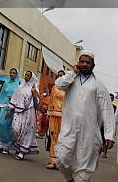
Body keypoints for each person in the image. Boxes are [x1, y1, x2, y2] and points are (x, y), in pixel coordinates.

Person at [55, 52, 115, 182]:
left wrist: (109, 134)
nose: (84, 64)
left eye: (87, 62)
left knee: (84, 167)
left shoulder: (99, 85)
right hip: (68, 129)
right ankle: (69, 179)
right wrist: (73, 73)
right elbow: (59, 85)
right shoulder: (70, 79)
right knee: (62, 159)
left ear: (93, 65)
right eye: (82, 61)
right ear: (78, 63)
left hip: (89, 133)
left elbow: (107, 110)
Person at [8, 70, 39, 161]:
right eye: (25, 75)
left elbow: (37, 104)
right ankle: (19, 147)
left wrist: (34, 94)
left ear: (31, 78)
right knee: (15, 128)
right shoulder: (20, 87)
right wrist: (10, 110)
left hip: (29, 113)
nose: (26, 77)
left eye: (28, 76)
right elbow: (15, 98)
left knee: (26, 131)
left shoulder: (34, 88)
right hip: (18, 111)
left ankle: (22, 152)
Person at [0, 67, 22, 154]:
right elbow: (3, 93)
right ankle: (0, 145)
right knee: (1, 124)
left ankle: (7, 146)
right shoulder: (6, 82)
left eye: (14, 73)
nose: (12, 74)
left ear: (16, 74)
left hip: (13, 107)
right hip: (4, 106)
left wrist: (14, 98)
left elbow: (20, 95)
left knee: (9, 126)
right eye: (11, 72)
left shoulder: (19, 83)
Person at [46, 70, 65, 170]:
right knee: (53, 137)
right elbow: (53, 98)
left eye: (62, 76)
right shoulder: (54, 87)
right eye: (58, 76)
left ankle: (60, 161)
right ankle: (54, 161)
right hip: (53, 115)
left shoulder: (68, 88)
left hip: (65, 116)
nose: (59, 77)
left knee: (62, 139)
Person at [100, 93, 117, 158]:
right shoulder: (102, 105)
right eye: (109, 98)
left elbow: (114, 117)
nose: (111, 99)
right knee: (100, 139)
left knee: (107, 139)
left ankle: (104, 153)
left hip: (108, 126)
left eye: (112, 98)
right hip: (101, 124)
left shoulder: (114, 107)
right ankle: (99, 149)